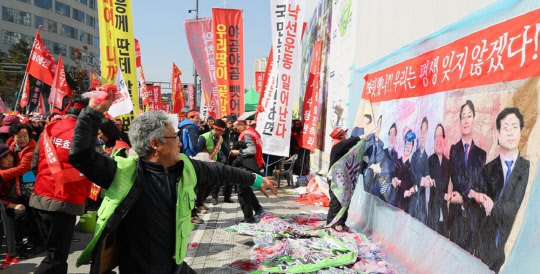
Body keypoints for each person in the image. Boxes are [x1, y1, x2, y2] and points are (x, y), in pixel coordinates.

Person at [69, 92, 278, 273]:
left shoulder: (185, 167)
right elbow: (81, 155)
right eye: (174, 137)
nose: (180, 142)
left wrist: (255, 179)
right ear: (155, 144)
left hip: (175, 265)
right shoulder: (123, 172)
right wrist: (93, 112)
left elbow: (221, 171)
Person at [28, 97, 93, 273]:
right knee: (56, 256)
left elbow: (34, 164)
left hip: (40, 197)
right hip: (66, 200)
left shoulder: (48, 129)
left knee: (53, 254)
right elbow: (95, 166)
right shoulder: (86, 134)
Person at [470, 108, 529, 272]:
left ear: (521, 132)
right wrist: (477, 197)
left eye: (514, 127)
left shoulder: (526, 167)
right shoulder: (489, 168)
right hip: (484, 246)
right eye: (506, 128)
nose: (510, 133)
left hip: (511, 249)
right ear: (498, 133)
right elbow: (475, 198)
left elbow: (514, 207)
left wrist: (492, 207)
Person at [447, 100, 486, 253]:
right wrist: (471, 193)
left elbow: (480, 184)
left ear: (474, 119)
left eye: (469, 116)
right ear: (460, 121)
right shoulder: (454, 149)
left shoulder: (481, 155)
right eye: (463, 116)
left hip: (473, 216)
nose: (466, 120)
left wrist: (464, 197)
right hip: (456, 217)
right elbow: (455, 176)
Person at [326, 127, 362, 231]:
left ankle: (341, 222)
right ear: (340, 137)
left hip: (342, 179)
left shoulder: (342, 148)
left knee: (345, 201)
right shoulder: (337, 146)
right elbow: (347, 143)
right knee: (336, 202)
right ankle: (331, 223)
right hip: (335, 180)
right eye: (344, 135)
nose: (346, 137)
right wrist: (359, 138)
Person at [232, 120, 265, 223]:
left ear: (241, 125)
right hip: (256, 164)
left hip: (249, 166)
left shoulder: (246, 134)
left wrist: (238, 152)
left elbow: (252, 150)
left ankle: (249, 218)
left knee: (242, 192)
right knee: (247, 190)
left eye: (237, 128)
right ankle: (259, 209)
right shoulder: (254, 132)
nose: (236, 131)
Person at [199, 119, 235, 205]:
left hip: (213, 164)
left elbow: (226, 151)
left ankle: (203, 202)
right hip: (203, 165)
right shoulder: (204, 137)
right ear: (215, 129)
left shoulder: (220, 139)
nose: (222, 133)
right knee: (202, 186)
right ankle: (199, 204)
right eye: (221, 131)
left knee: (213, 184)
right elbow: (198, 152)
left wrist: (232, 154)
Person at [427, 124, 450, 236]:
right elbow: (431, 184)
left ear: (444, 140)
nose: (438, 140)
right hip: (433, 212)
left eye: (440, 137)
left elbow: (443, 183)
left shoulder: (448, 163)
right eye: (436, 137)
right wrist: (443, 195)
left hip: (444, 213)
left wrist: (435, 183)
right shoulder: (430, 160)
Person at [409, 117, 431, 224]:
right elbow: (412, 174)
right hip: (412, 197)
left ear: (427, 135)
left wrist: (428, 180)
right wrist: (421, 180)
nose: (423, 136)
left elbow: (427, 175)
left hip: (421, 199)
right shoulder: (414, 155)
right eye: (421, 132)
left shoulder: (427, 158)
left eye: (425, 132)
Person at [391, 130, 416, 213]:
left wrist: (410, 191)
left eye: (410, 145)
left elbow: (416, 186)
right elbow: (390, 177)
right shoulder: (396, 162)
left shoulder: (412, 166)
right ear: (404, 144)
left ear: (412, 147)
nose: (408, 147)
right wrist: (393, 180)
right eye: (407, 144)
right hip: (393, 201)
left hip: (405, 204)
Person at [363, 116, 385, 192]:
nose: (378, 128)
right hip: (367, 169)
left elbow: (380, 158)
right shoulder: (368, 139)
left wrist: (377, 166)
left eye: (380, 126)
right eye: (377, 125)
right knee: (369, 173)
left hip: (376, 171)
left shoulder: (381, 144)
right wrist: (371, 165)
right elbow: (365, 157)